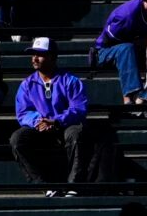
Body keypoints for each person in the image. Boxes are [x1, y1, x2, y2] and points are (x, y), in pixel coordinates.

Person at [9, 38, 88, 191]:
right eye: (33, 54)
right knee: (17, 139)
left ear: (52, 56)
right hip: (40, 128)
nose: (34, 58)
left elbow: (79, 109)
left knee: (77, 133)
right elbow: (23, 113)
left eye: (40, 54)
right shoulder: (27, 84)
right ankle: (44, 186)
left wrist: (56, 121)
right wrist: (39, 122)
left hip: (64, 127)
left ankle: (74, 186)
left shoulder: (71, 81)